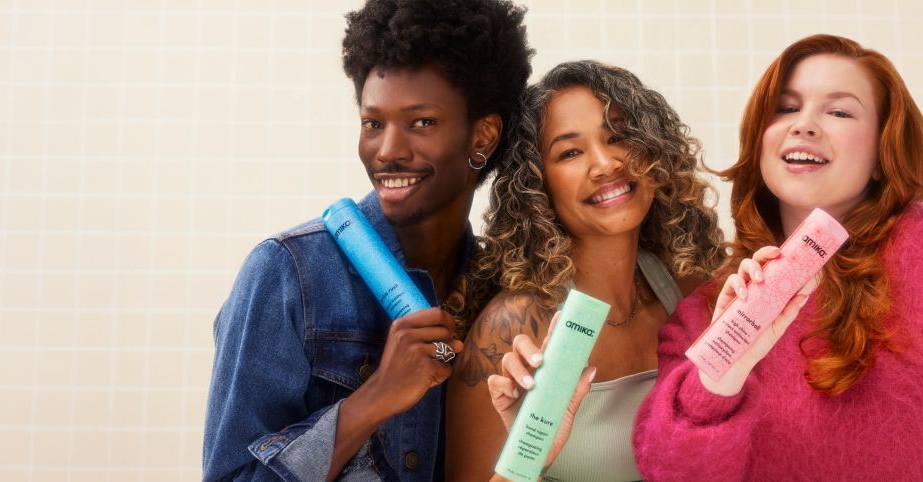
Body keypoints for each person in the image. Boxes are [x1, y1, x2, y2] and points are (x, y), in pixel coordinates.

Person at [632, 34, 923, 480]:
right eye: (786, 107)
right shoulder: (707, 314)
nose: (805, 125)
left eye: (839, 111)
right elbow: (672, 474)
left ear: (882, 153)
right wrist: (725, 369)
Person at [201, 0, 533, 480]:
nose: (388, 151)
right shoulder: (287, 273)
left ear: (482, 136)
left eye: (421, 122)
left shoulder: (499, 294)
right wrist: (377, 396)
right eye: (373, 123)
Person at [445, 60, 726, 481]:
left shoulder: (689, 293)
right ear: (538, 185)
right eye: (570, 152)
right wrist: (529, 455)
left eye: (619, 137)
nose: (605, 164)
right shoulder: (514, 329)